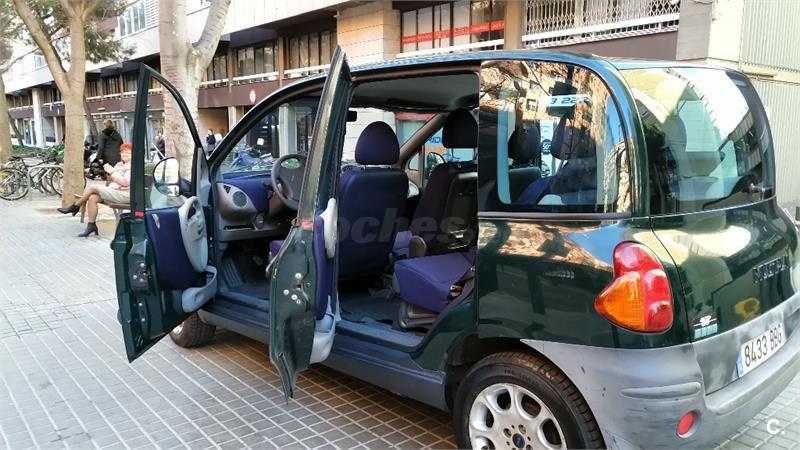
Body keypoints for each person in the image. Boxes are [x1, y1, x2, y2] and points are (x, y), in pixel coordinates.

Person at [57, 143, 132, 237]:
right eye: (122, 152)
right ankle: (91, 225)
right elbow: (115, 179)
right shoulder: (119, 164)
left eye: (127, 153)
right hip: (115, 191)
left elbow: (125, 182)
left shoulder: (132, 166)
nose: (124, 154)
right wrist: (108, 173)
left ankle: (75, 206)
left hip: (125, 195)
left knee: (93, 187)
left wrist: (112, 172)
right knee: (92, 198)